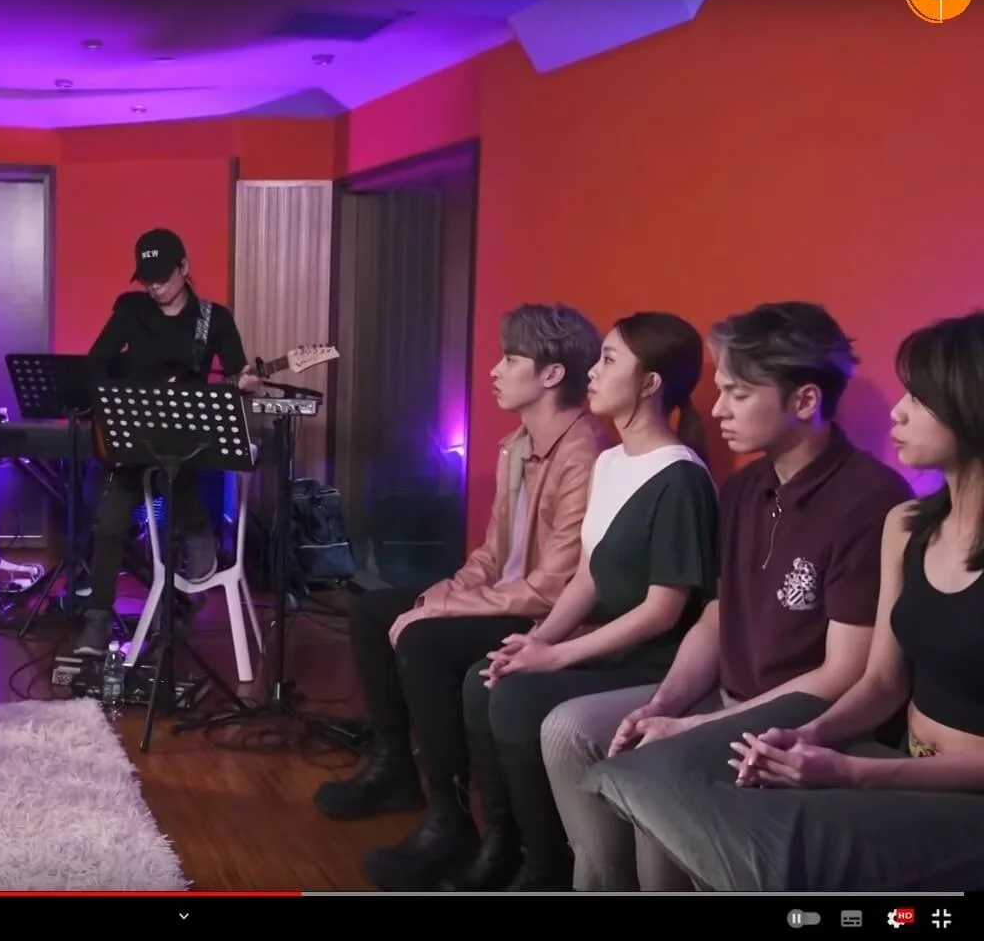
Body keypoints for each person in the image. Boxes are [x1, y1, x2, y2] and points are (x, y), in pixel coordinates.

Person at [581, 312, 984, 891]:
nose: (897, 412)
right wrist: (809, 736)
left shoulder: (869, 498)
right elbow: (881, 682)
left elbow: (845, 672)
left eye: (920, 399)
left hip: (956, 790)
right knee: (646, 779)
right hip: (904, 756)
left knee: (763, 843)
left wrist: (852, 770)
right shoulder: (906, 524)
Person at [309, 303, 608, 892]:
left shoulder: (585, 455)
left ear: (551, 375)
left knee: (424, 640)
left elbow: (553, 587)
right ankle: (395, 769)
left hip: (551, 620)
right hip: (507, 597)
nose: (495, 370)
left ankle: (450, 818)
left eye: (511, 359)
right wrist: (441, 593)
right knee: (374, 611)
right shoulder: (516, 445)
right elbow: (491, 555)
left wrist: (443, 610)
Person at [451, 312, 719, 892]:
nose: (592, 373)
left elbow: (663, 611)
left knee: (517, 696)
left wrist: (557, 657)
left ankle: (547, 867)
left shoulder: (681, 478)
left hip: (654, 661)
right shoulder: (610, 461)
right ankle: (506, 846)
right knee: (487, 678)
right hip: (608, 643)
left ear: (650, 384)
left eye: (609, 361)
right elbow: (588, 578)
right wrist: (537, 640)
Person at [72, 228, 260, 656]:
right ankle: (97, 621)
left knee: (177, 495)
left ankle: (182, 584)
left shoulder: (214, 319)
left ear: (184, 268)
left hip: (186, 440)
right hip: (135, 435)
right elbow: (95, 363)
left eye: (162, 277)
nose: (155, 287)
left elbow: (238, 373)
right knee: (110, 521)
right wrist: (111, 410)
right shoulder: (130, 310)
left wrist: (246, 383)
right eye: (148, 279)